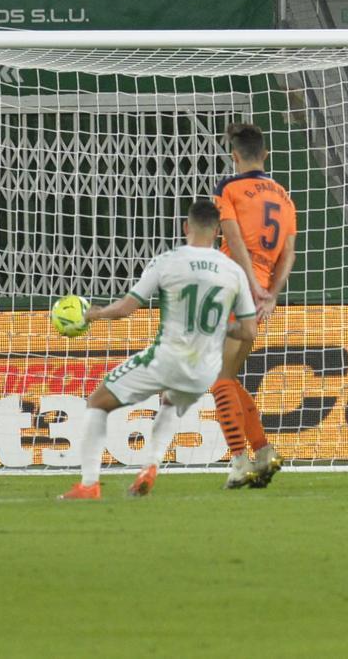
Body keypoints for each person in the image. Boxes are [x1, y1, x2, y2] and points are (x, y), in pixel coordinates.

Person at [59, 199, 258, 500]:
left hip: (166, 359)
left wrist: (94, 314)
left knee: (97, 402)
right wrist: (220, 327)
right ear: (218, 231)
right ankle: (149, 467)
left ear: (186, 227)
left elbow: (127, 308)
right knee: (168, 402)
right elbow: (248, 331)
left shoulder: (169, 261)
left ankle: (88, 485)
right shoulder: (235, 271)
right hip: (204, 370)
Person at [212, 122, 297, 489]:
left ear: (234, 156)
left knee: (217, 381)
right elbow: (289, 254)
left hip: (233, 286)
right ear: (265, 154)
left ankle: (239, 461)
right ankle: (263, 452)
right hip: (260, 292)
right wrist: (271, 293)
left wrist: (247, 283)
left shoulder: (228, 188)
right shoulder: (283, 194)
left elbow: (232, 238)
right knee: (228, 378)